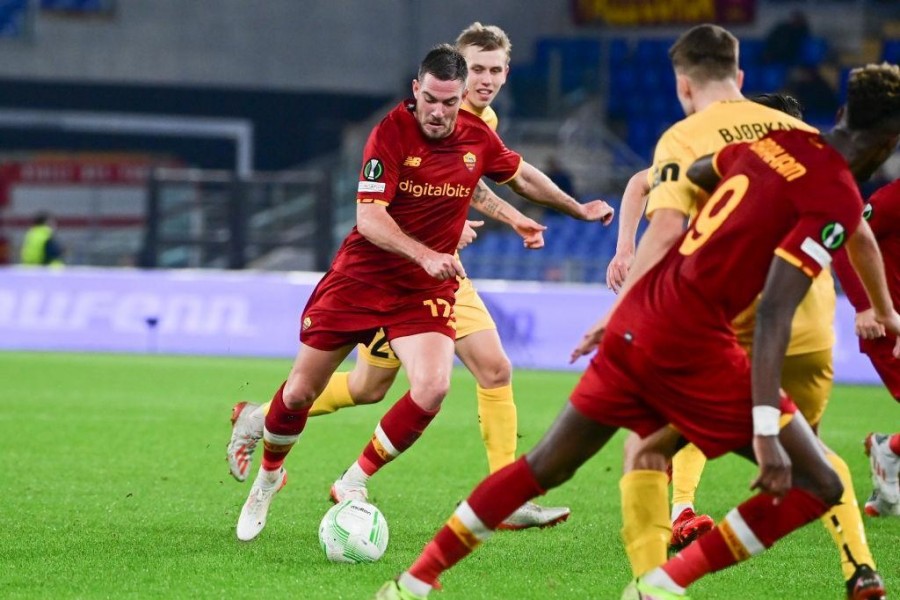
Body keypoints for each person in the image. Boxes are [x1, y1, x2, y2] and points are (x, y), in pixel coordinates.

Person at [373, 60, 900, 600]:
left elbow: (699, 176)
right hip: (694, 343)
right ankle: (665, 583)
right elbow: (773, 314)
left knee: (545, 465)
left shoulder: (771, 143)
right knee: (820, 482)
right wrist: (765, 432)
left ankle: (412, 582)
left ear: (842, 113)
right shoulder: (832, 191)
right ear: (888, 141)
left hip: (639, 316)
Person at [227, 23, 615, 532]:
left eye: (494, 72)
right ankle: (268, 461)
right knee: (328, 390)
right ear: (418, 88)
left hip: (429, 284)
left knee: (446, 383)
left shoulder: (480, 128)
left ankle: (386, 482)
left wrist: (573, 208)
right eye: (477, 70)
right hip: (366, 277)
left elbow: (506, 173)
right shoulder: (390, 132)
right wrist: (430, 248)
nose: (443, 108)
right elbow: (371, 217)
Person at [604, 27, 884, 598]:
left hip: (740, 326)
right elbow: (859, 232)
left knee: (651, 440)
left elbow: (647, 195)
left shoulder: (714, 144)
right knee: (812, 456)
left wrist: (628, 266)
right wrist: (880, 308)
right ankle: (859, 566)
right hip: (811, 330)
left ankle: (657, 568)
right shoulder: (810, 145)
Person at [832, 179, 900, 518]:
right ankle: (888, 449)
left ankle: (889, 449)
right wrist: (863, 306)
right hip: (886, 324)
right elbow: (845, 240)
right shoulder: (891, 200)